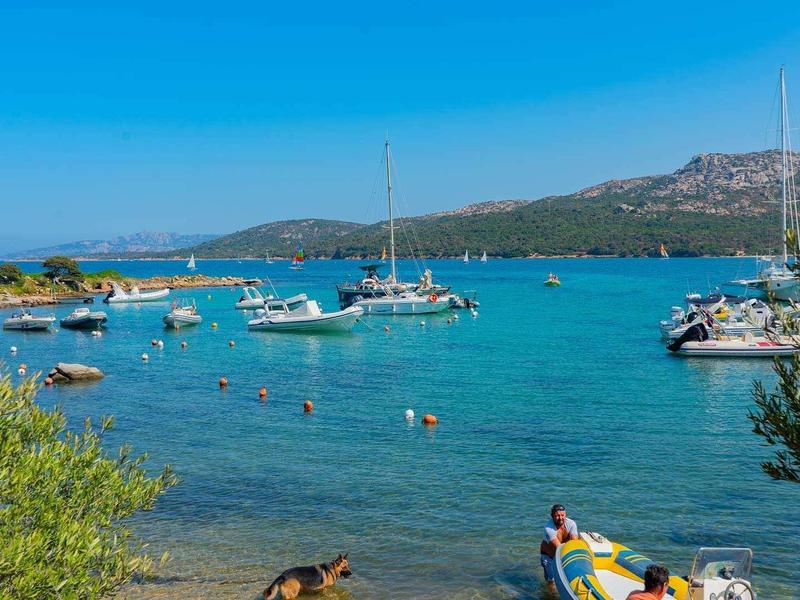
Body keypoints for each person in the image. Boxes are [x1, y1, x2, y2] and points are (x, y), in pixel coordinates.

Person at [539, 504, 579, 588]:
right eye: (557, 516)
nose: (560, 518)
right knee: (551, 581)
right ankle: (550, 593)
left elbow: (574, 543)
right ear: (552, 516)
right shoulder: (548, 528)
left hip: (561, 554)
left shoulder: (571, 524)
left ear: (565, 514)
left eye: (562, 515)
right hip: (548, 557)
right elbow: (559, 547)